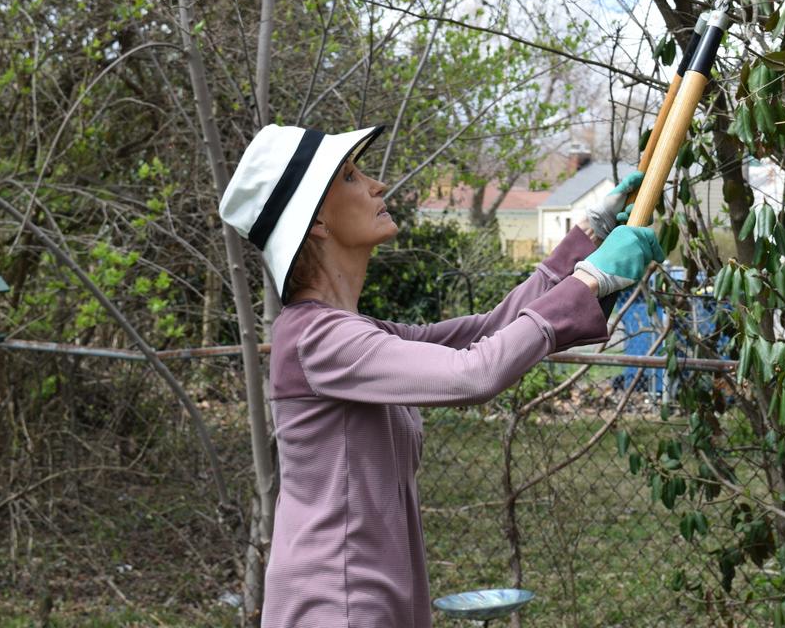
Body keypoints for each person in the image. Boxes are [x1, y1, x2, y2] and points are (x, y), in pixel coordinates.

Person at [217, 124, 661, 628]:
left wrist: (587, 238)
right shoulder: (315, 339)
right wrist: (590, 280)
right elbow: (473, 373)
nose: (377, 185)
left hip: (370, 601)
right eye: (351, 177)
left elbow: (487, 332)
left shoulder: (353, 333)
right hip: (335, 608)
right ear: (317, 220)